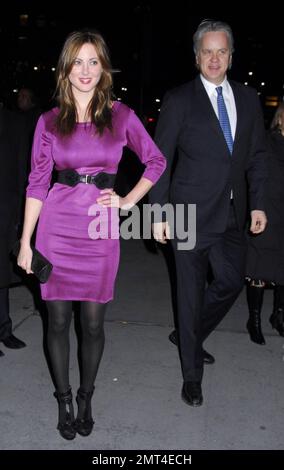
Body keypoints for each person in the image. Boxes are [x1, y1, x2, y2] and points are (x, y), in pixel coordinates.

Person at [17, 29, 166, 440]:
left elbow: (155, 160)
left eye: (93, 62)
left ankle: (86, 396)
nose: (85, 70)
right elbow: (36, 183)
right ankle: (64, 398)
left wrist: (127, 200)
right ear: (65, 69)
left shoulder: (122, 116)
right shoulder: (48, 120)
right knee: (58, 322)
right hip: (56, 227)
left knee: (95, 324)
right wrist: (27, 243)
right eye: (77, 62)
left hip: (100, 229)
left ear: (104, 69)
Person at [149, 19, 267, 407]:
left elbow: (257, 156)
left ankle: (189, 335)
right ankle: (192, 375)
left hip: (233, 215)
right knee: (188, 295)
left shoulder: (249, 99)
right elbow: (160, 160)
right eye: (207, 51)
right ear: (196, 56)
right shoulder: (180, 99)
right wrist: (159, 214)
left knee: (232, 281)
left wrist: (259, 202)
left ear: (231, 57)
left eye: (221, 51)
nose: (214, 58)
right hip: (187, 214)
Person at [246, 102, 284, 344]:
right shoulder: (267, 142)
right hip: (267, 210)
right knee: (259, 267)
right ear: (280, 117)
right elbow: (256, 173)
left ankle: (278, 315)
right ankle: (255, 319)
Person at [0, 107, 29, 357]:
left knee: (2, 273)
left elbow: (22, 171)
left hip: (6, 210)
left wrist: (21, 216)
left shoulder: (12, 121)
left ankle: (4, 329)